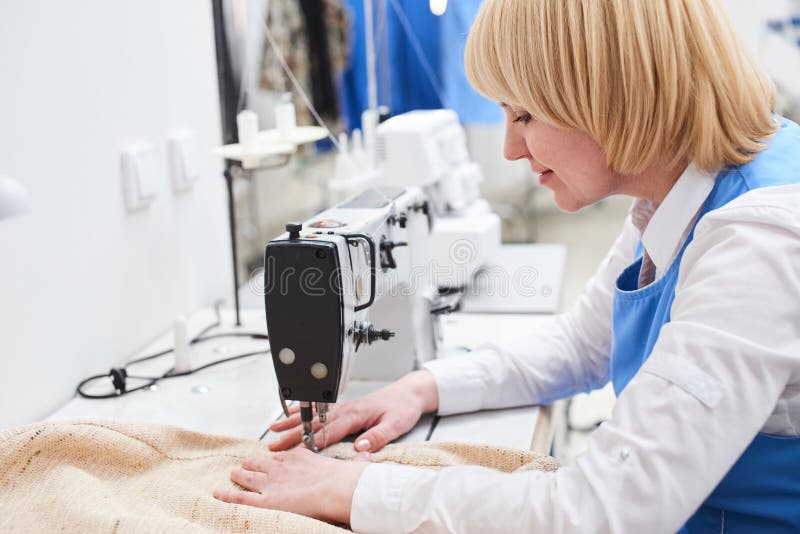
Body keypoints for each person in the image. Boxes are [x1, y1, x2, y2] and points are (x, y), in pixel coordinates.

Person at [213, 0, 800, 531]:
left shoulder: (759, 239)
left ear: (612, 96)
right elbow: (583, 345)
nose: (509, 149)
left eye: (524, 117)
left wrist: (359, 489)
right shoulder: (678, 191)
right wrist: (423, 387)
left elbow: (604, 511)